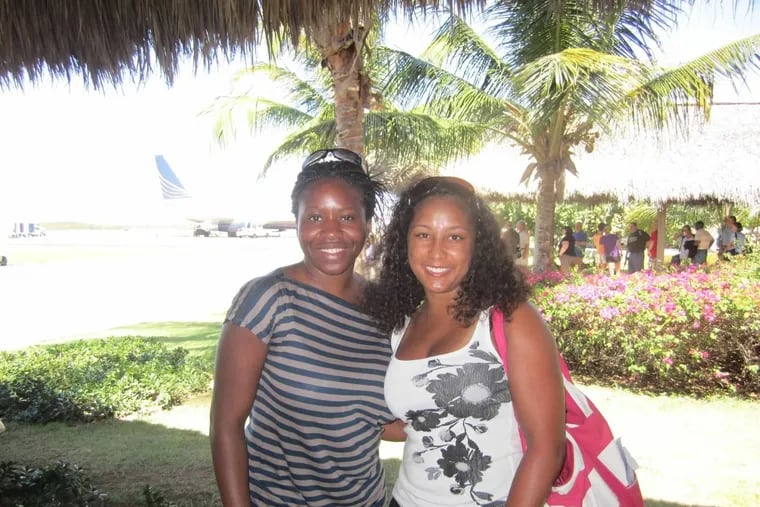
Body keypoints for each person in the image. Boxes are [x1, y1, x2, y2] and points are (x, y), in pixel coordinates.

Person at [210, 148, 404, 507]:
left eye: (347, 217)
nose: (331, 232)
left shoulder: (385, 309)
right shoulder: (268, 299)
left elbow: (372, 417)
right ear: (296, 220)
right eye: (315, 217)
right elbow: (227, 425)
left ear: (367, 222)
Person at [365, 176, 566, 507]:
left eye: (454, 236)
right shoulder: (403, 324)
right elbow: (418, 422)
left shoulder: (510, 319)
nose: (437, 251)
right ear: (405, 242)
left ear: (477, 244)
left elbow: (547, 448)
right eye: (423, 235)